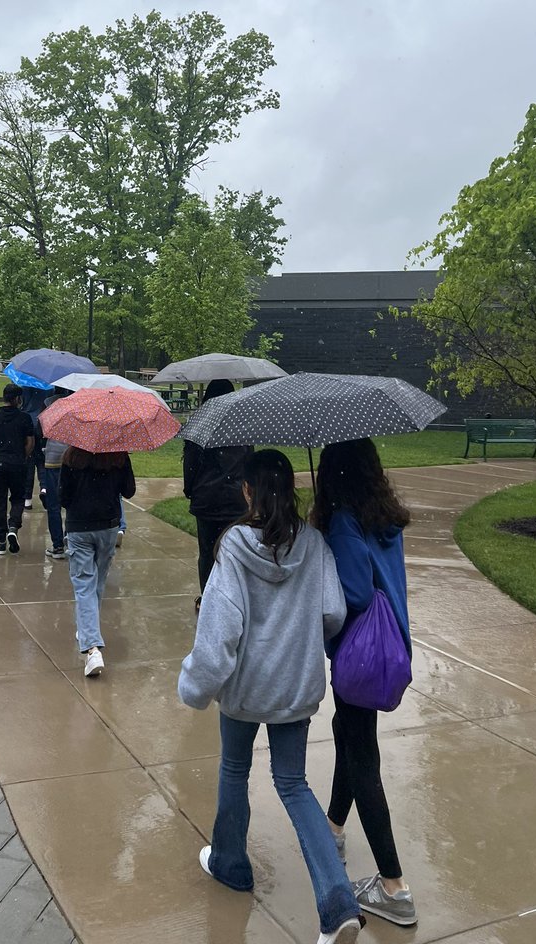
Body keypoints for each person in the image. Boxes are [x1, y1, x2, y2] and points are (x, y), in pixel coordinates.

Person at [178, 450, 363, 944]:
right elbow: (333, 612)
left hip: (245, 689)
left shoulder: (233, 545)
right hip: (294, 688)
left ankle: (230, 863)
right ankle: (338, 903)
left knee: (234, 769)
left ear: (247, 490)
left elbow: (219, 634)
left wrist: (194, 686)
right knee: (294, 784)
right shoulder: (315, 543)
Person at [311, 439, 417, 929]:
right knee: (349, 731)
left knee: (362, 758)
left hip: (360, 652)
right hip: (389, 646)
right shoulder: (384, 518)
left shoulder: (344, 522)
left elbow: (352, 594)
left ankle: (394, 887)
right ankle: (333, 827)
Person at [60, 447, 136, 678]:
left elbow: (63, 498)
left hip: (79, 527)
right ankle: (87, 630)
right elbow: (129, 491)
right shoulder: (118, 455)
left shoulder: (71, 456)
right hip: (108, 527)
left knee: (85, 585)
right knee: (97, 583)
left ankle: (92, 648)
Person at [182, 379, 253, 613]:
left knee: (207, 552)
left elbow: (191, 464)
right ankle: (235, 599)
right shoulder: (242, 427)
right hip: (236, 501)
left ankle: (209, 599)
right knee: (234, 552)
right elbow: (249, 463)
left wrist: (190, 489)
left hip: (207, 500)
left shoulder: (199, 425)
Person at [0, 384, 35, 556]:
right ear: (17, 399)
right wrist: (22, 457)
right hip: (18, 464)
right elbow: (30, 443)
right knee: (18, 498)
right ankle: (13, 526)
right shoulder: (25, 418)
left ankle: (0, 541)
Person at [38, 389, 68, 560]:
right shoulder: (79, 405)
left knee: (53, 505)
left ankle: (58, 546)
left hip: (53, 460)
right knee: (71, 503)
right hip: (72, 459)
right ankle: (70, 538)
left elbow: (40, 430)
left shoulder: (49, 404)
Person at [19, 386, 48, 509]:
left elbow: (21, 403)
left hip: (28, 423)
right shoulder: (48, 386)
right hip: (43, 424)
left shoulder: (25, 385)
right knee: (42, 461)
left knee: (29, 462)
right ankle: (44, 488)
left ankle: (27, 499)